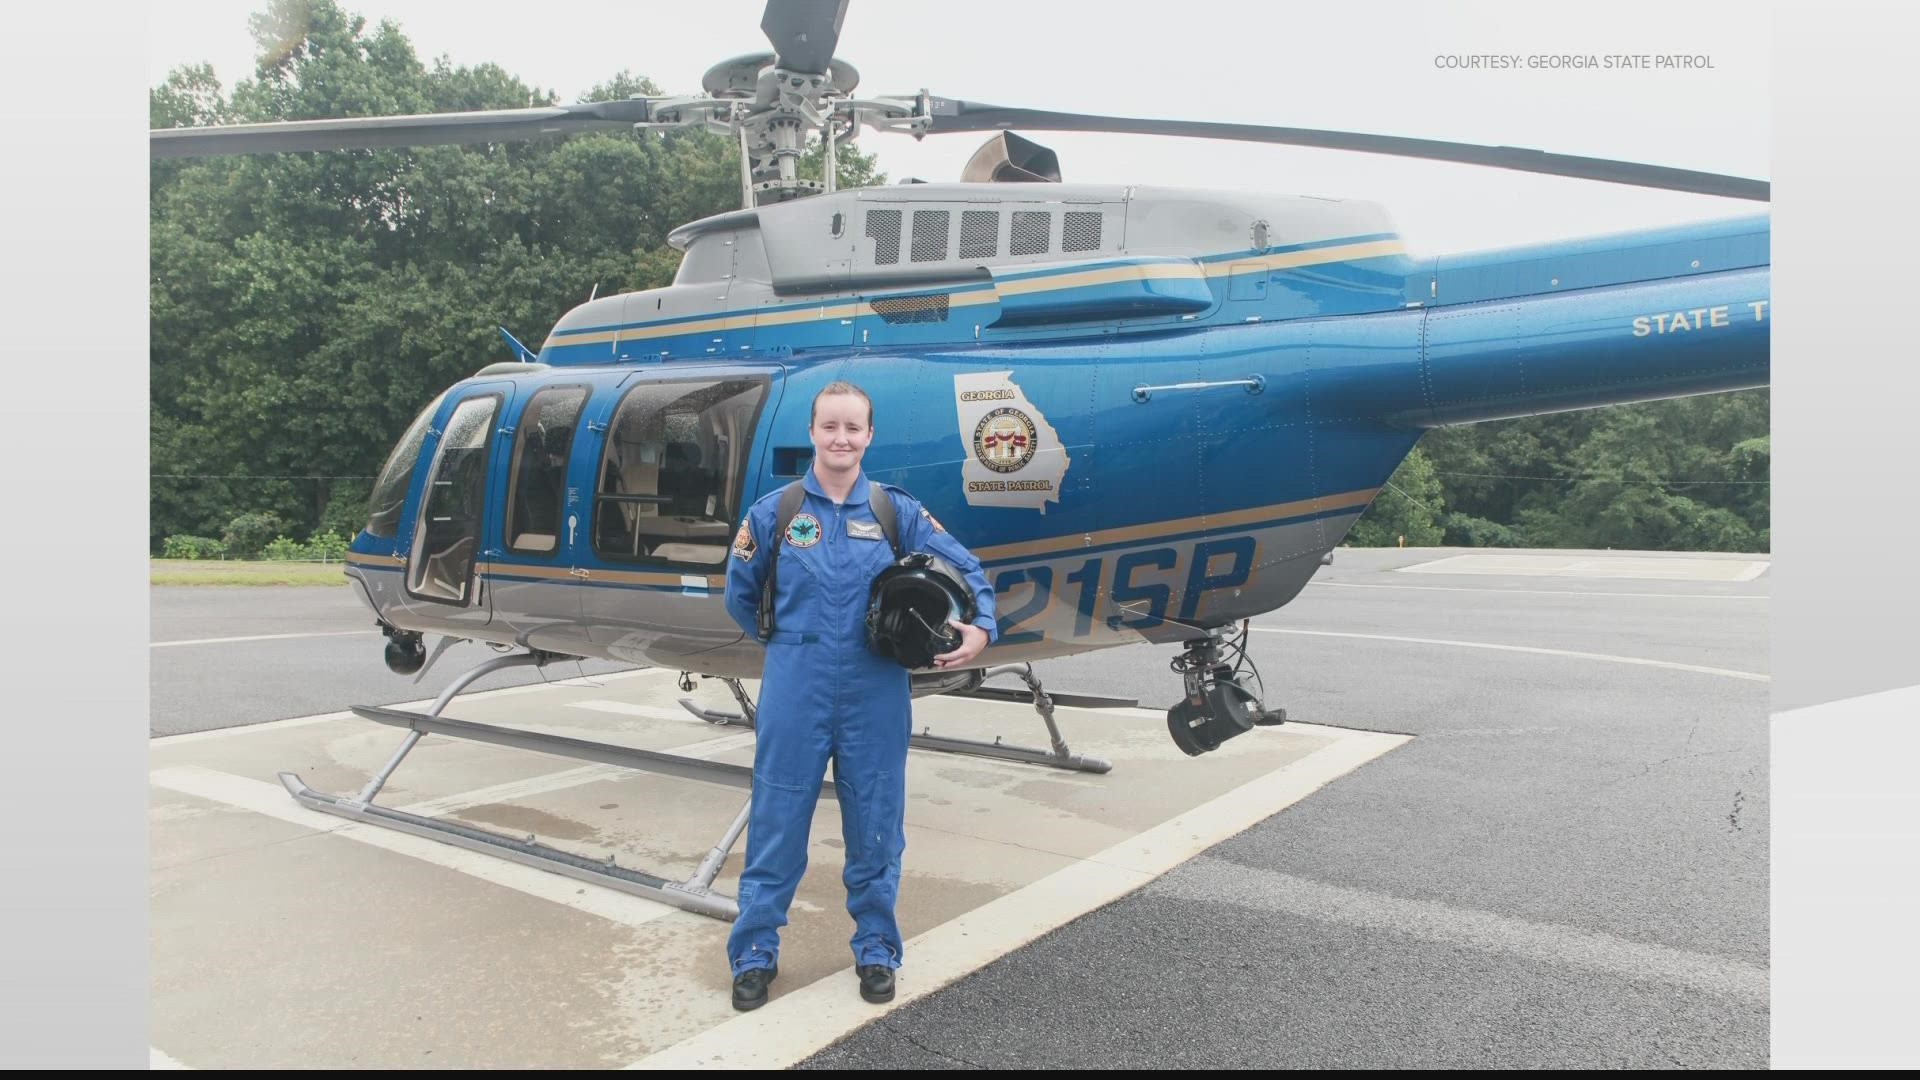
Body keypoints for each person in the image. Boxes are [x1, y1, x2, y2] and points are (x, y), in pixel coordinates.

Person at [721, 380, 998, 1011]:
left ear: (869, 436)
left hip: (876, 687)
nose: (841, 438)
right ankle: (755, 953)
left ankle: (876, 948)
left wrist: (982, 625)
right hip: (796, 683)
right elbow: (741, 592)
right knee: (776, 823)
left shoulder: (895, 512)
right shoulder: (777, 512)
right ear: (812, 432)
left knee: (876, 823)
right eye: (830, 427)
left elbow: (965, 567)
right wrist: (789, 643)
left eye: (853, 428)